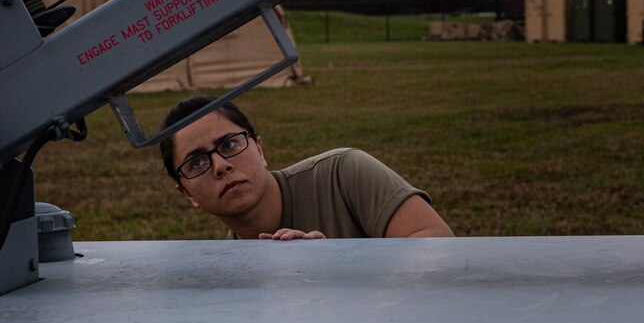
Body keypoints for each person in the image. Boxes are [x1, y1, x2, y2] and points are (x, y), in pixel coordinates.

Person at [159, 97, 454, 240]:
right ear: (187, 193)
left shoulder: (343, 173)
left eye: (230, 145)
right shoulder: (230, 270)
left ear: (260, 149)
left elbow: (438, 244)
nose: (221, 166)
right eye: (196, 162)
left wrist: (335, 265)